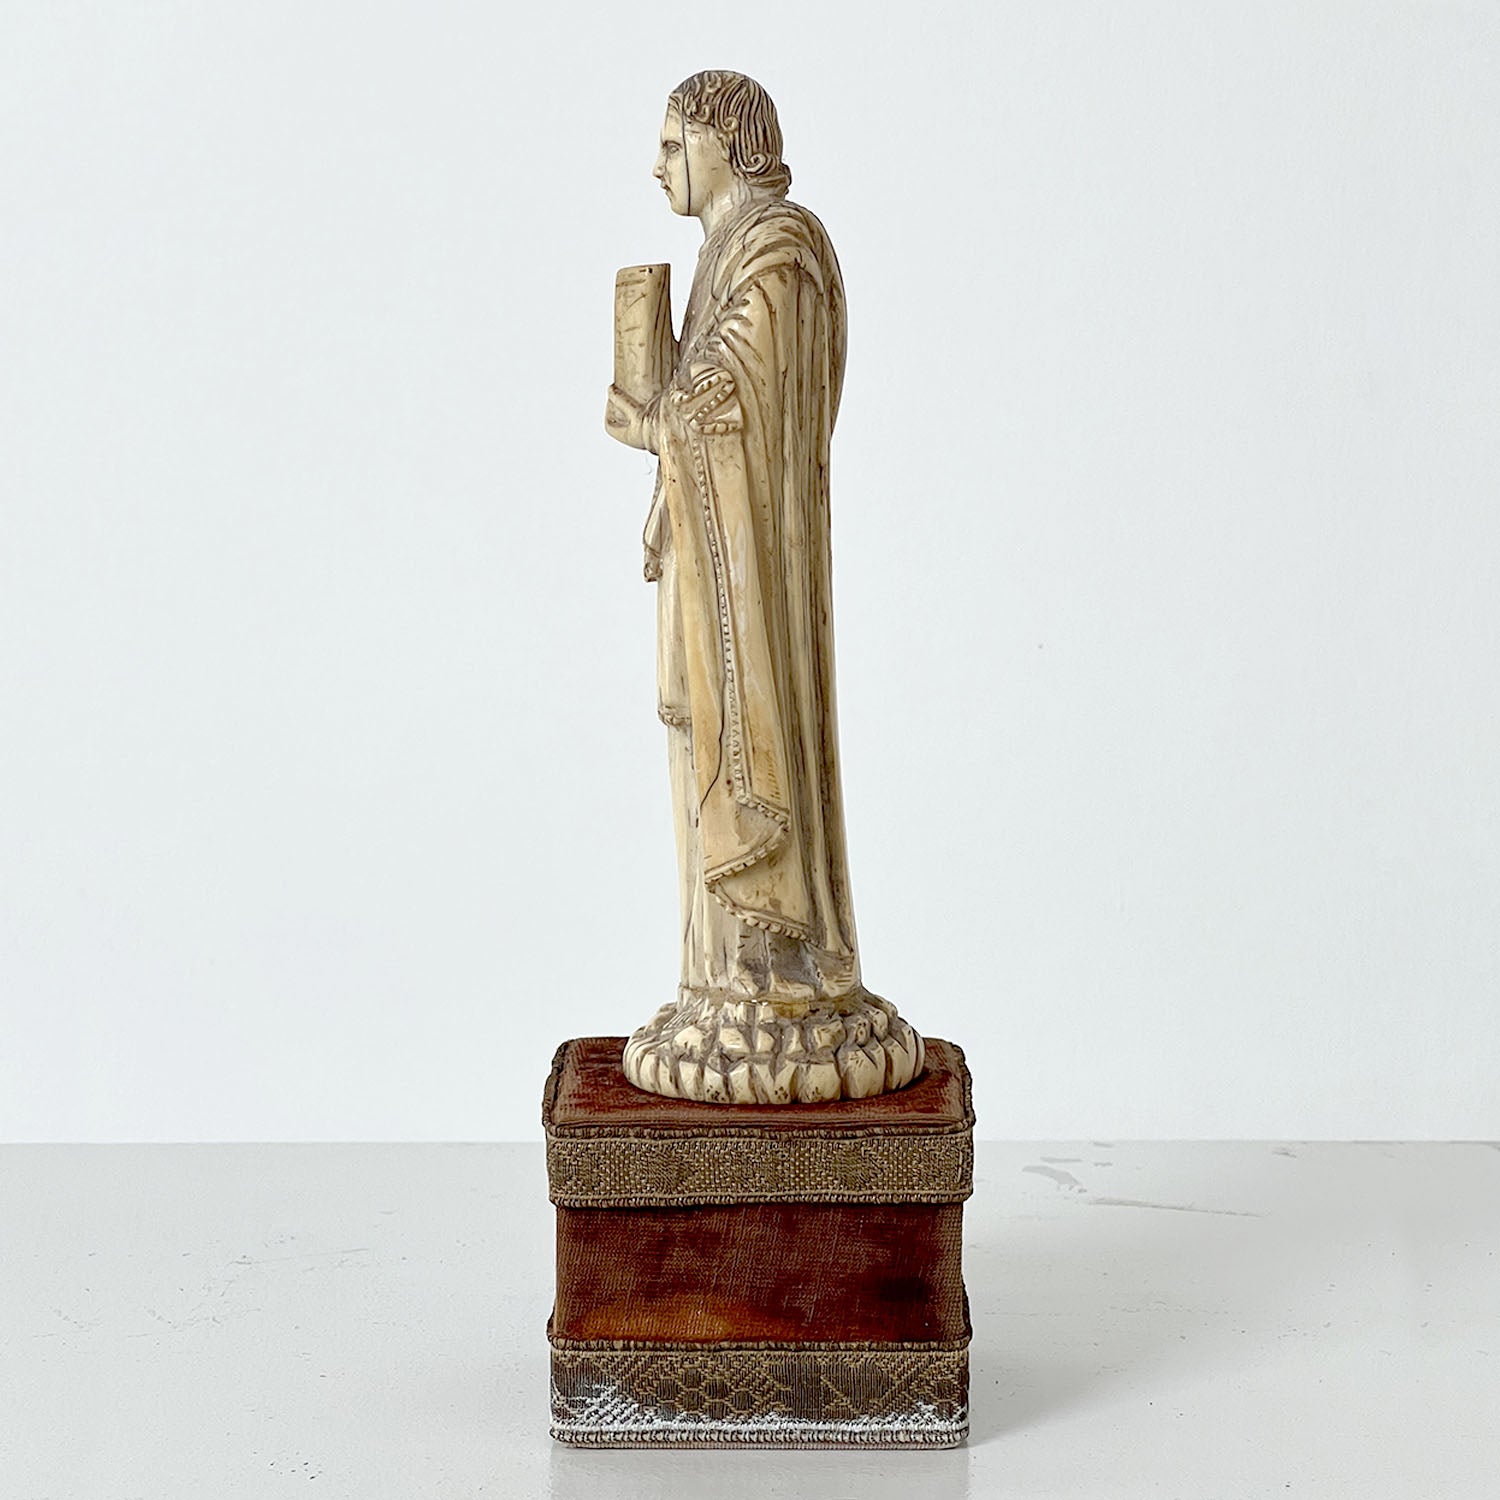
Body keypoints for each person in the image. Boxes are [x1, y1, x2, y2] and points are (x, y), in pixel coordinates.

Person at [607, 71, 921, 1102]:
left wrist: (651, 415)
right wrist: (663, 404)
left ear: (723, 142)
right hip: (711, 558)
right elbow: (708, 404)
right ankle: (717, 980)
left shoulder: (779, 254)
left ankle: (776, 968)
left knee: (751, 745)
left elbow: (735, 408)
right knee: (696, 741)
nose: (658, 165)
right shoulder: (723, 260)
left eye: (672, 144)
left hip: (757, 576)